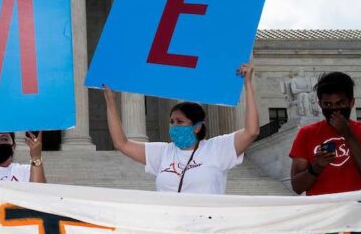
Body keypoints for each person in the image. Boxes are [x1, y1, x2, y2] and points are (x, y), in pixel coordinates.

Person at [100, 64, 261, 195]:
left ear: (197, 127)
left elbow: (251, 131)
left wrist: (248, 84)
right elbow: (122, 143)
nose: (174, 126)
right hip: (170, 228)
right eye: (171, 121)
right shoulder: (163, 152)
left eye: (180, 121)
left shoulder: (217, 149)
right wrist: (110, 101)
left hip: (204, 229)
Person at [288, 71, 361, 195]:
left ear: (351, 103)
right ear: (320, 105)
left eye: (341, 103)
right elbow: (297, 186)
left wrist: (347, 133)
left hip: (358, 209)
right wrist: (317, 167)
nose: (334, 109)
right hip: (324, 211)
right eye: (327, 104)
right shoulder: (306, 133)